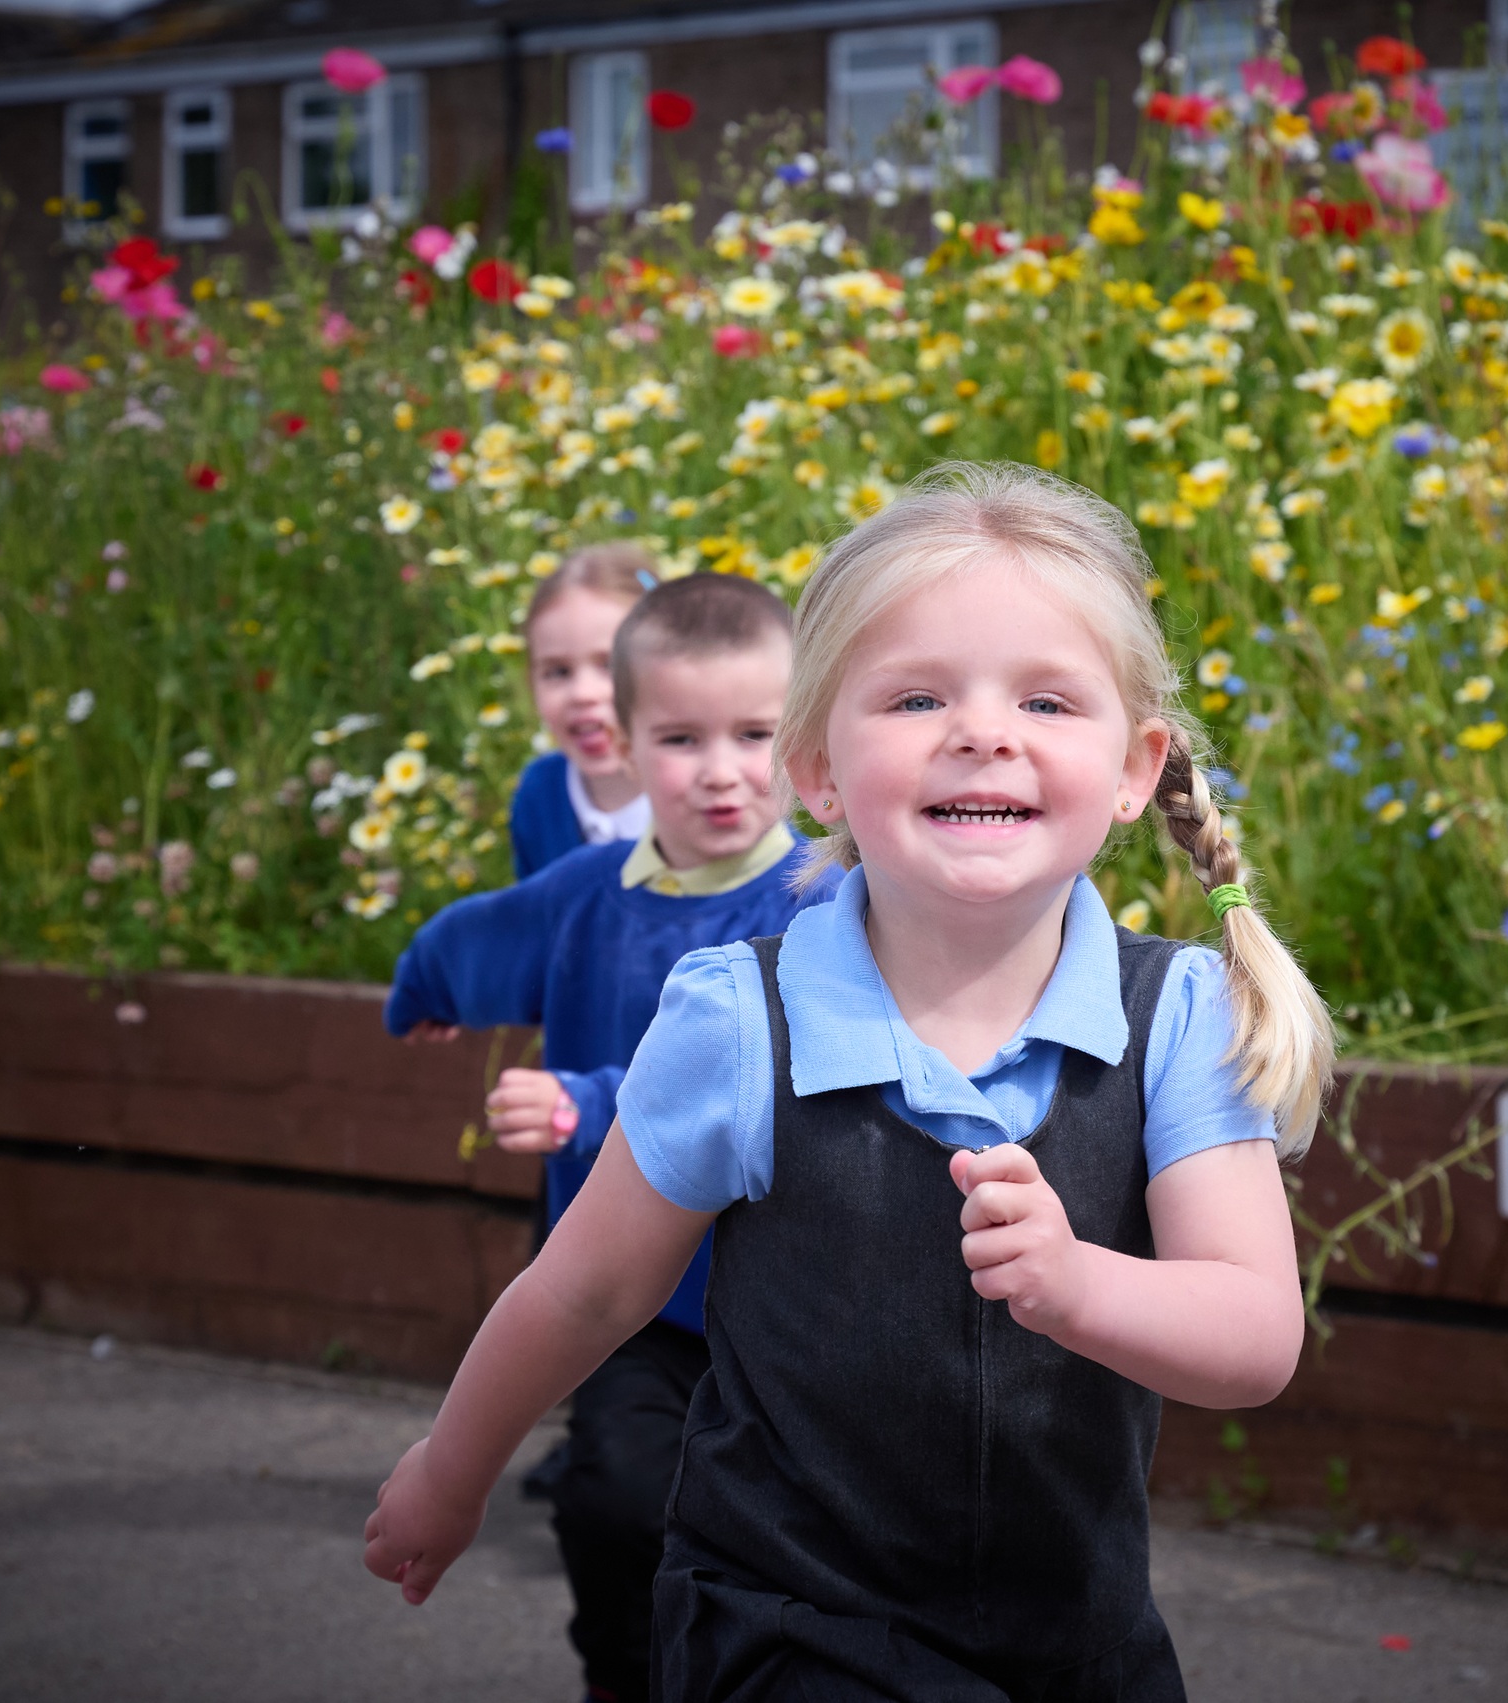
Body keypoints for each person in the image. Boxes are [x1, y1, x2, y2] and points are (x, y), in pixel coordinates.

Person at [367, 463, 1335, 1701]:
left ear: (1137, 767)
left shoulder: (1176, 1017)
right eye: (918, 695)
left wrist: (1074, 1281)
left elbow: (1253, 1337)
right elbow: (582, 1289)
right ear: (816, 768)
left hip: (1075, 1638)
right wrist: (451, 1471)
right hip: (788, 1626)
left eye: (1045, 698)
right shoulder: (740, 1019)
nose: (983, 730)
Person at [383, 571, 838, 1703]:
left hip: (784, 1292)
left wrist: (589, 1096)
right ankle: (626, 1682)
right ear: (624, 749)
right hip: (627, 1294)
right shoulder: (589, 890)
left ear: (801, 743)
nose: (721, 769)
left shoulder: (822, 903)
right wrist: (425, 989)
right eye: (680, 738)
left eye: (752, 734)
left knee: (794, 1534)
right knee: (612, 1502)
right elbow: (480, 933)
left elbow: (767, 1059)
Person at [511, 542, 655, 880]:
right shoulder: (541, 793)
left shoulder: (711, 794)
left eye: (610, 664)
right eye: (557, 672)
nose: (582, 694)